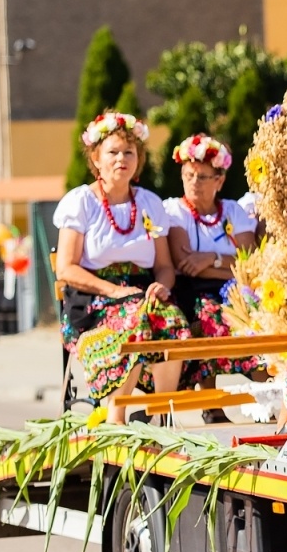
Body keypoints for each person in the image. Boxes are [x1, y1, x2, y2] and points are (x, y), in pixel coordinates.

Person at [54, 110, 188, 420]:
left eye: (129, 152)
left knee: (173, 323)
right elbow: (66, 269)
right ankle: (117, 417)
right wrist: (114, 291)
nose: (121, 159)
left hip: (140, 295)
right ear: (96, 159)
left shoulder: (150, 204)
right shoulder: (81, 202)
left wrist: (162, 285)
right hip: (93, 301)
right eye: (112, 152)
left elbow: (165, 266)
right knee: (134, 323)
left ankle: (160, 416)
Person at [163, 133, 264, 387]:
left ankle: (269, 395)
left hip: (236, 290)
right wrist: (229, 266)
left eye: (203, 177)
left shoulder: (232, 211)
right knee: (213, 316)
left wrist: (211, 259)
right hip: (191, 292)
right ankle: (212, 403)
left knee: (262, 318)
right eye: (189, 175)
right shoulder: (175, 210)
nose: (194, 182)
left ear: (219, 181)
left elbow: (250, 264)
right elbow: (187, 265)